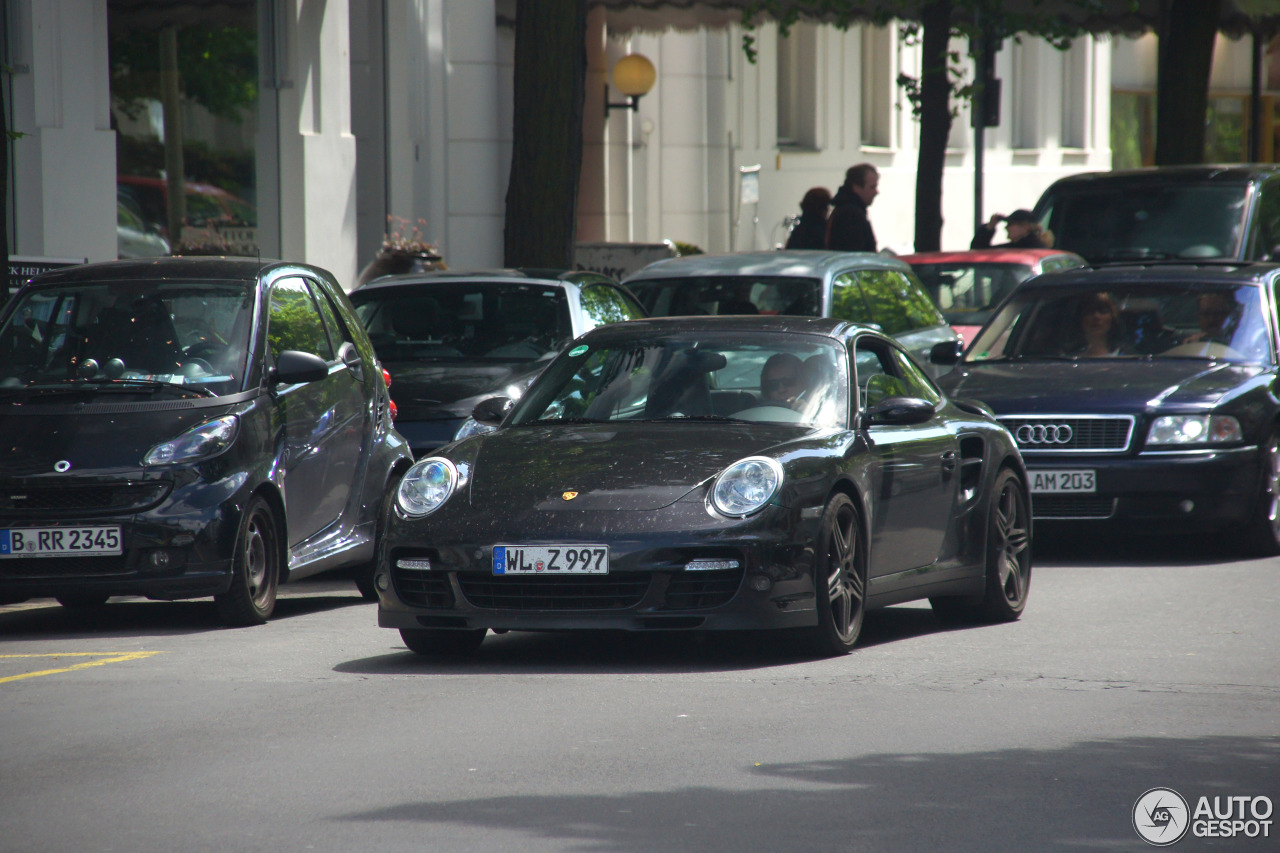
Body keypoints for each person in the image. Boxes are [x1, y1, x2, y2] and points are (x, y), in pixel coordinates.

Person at [826, 164, 879, 252]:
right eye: (872, 187)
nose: (876, 192)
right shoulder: (851, 215)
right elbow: (856, 253)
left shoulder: (846, 209)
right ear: (856, 188)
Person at [1069, 292, 1123, 357]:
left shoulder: (1127, 356)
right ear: (1081, 318)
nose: (1096, 316)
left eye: (1103, 311)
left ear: (1113, 318)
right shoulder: (1067, 358)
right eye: (1090, 311)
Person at [971, 208, 1048, 249]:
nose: (1006, 227)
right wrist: (990, 227)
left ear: (1025, 227)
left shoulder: (1037, 250)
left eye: (1010, 224)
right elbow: (978, 251)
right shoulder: (1012, 248)